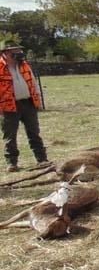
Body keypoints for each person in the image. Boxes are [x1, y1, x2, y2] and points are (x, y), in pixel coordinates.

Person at [0, 35, 48, 171]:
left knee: (34, 132)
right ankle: (12, 163)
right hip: (9, 105)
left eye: (19, 50)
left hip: (28, 103)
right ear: (6, 53)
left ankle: (42, 160)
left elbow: (32, 81)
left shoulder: (25, 65)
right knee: (10, 136)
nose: (19, 53)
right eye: (15, 51)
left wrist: (37, 98)